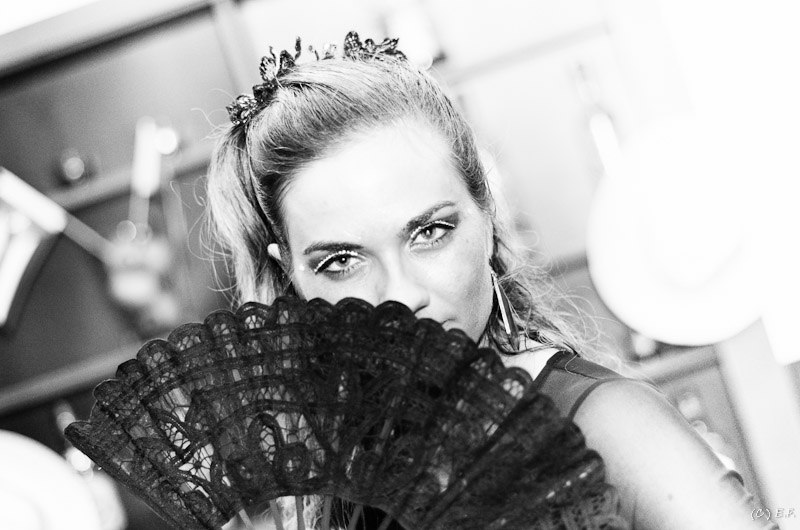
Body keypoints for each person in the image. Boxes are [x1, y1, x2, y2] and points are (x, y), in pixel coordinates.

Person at [206, 32, 777, 530]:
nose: (400, 297)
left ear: (487, 216)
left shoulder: (610, 431)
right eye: (341, 262)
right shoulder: (348, 483)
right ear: (292, 278)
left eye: (429, 232)